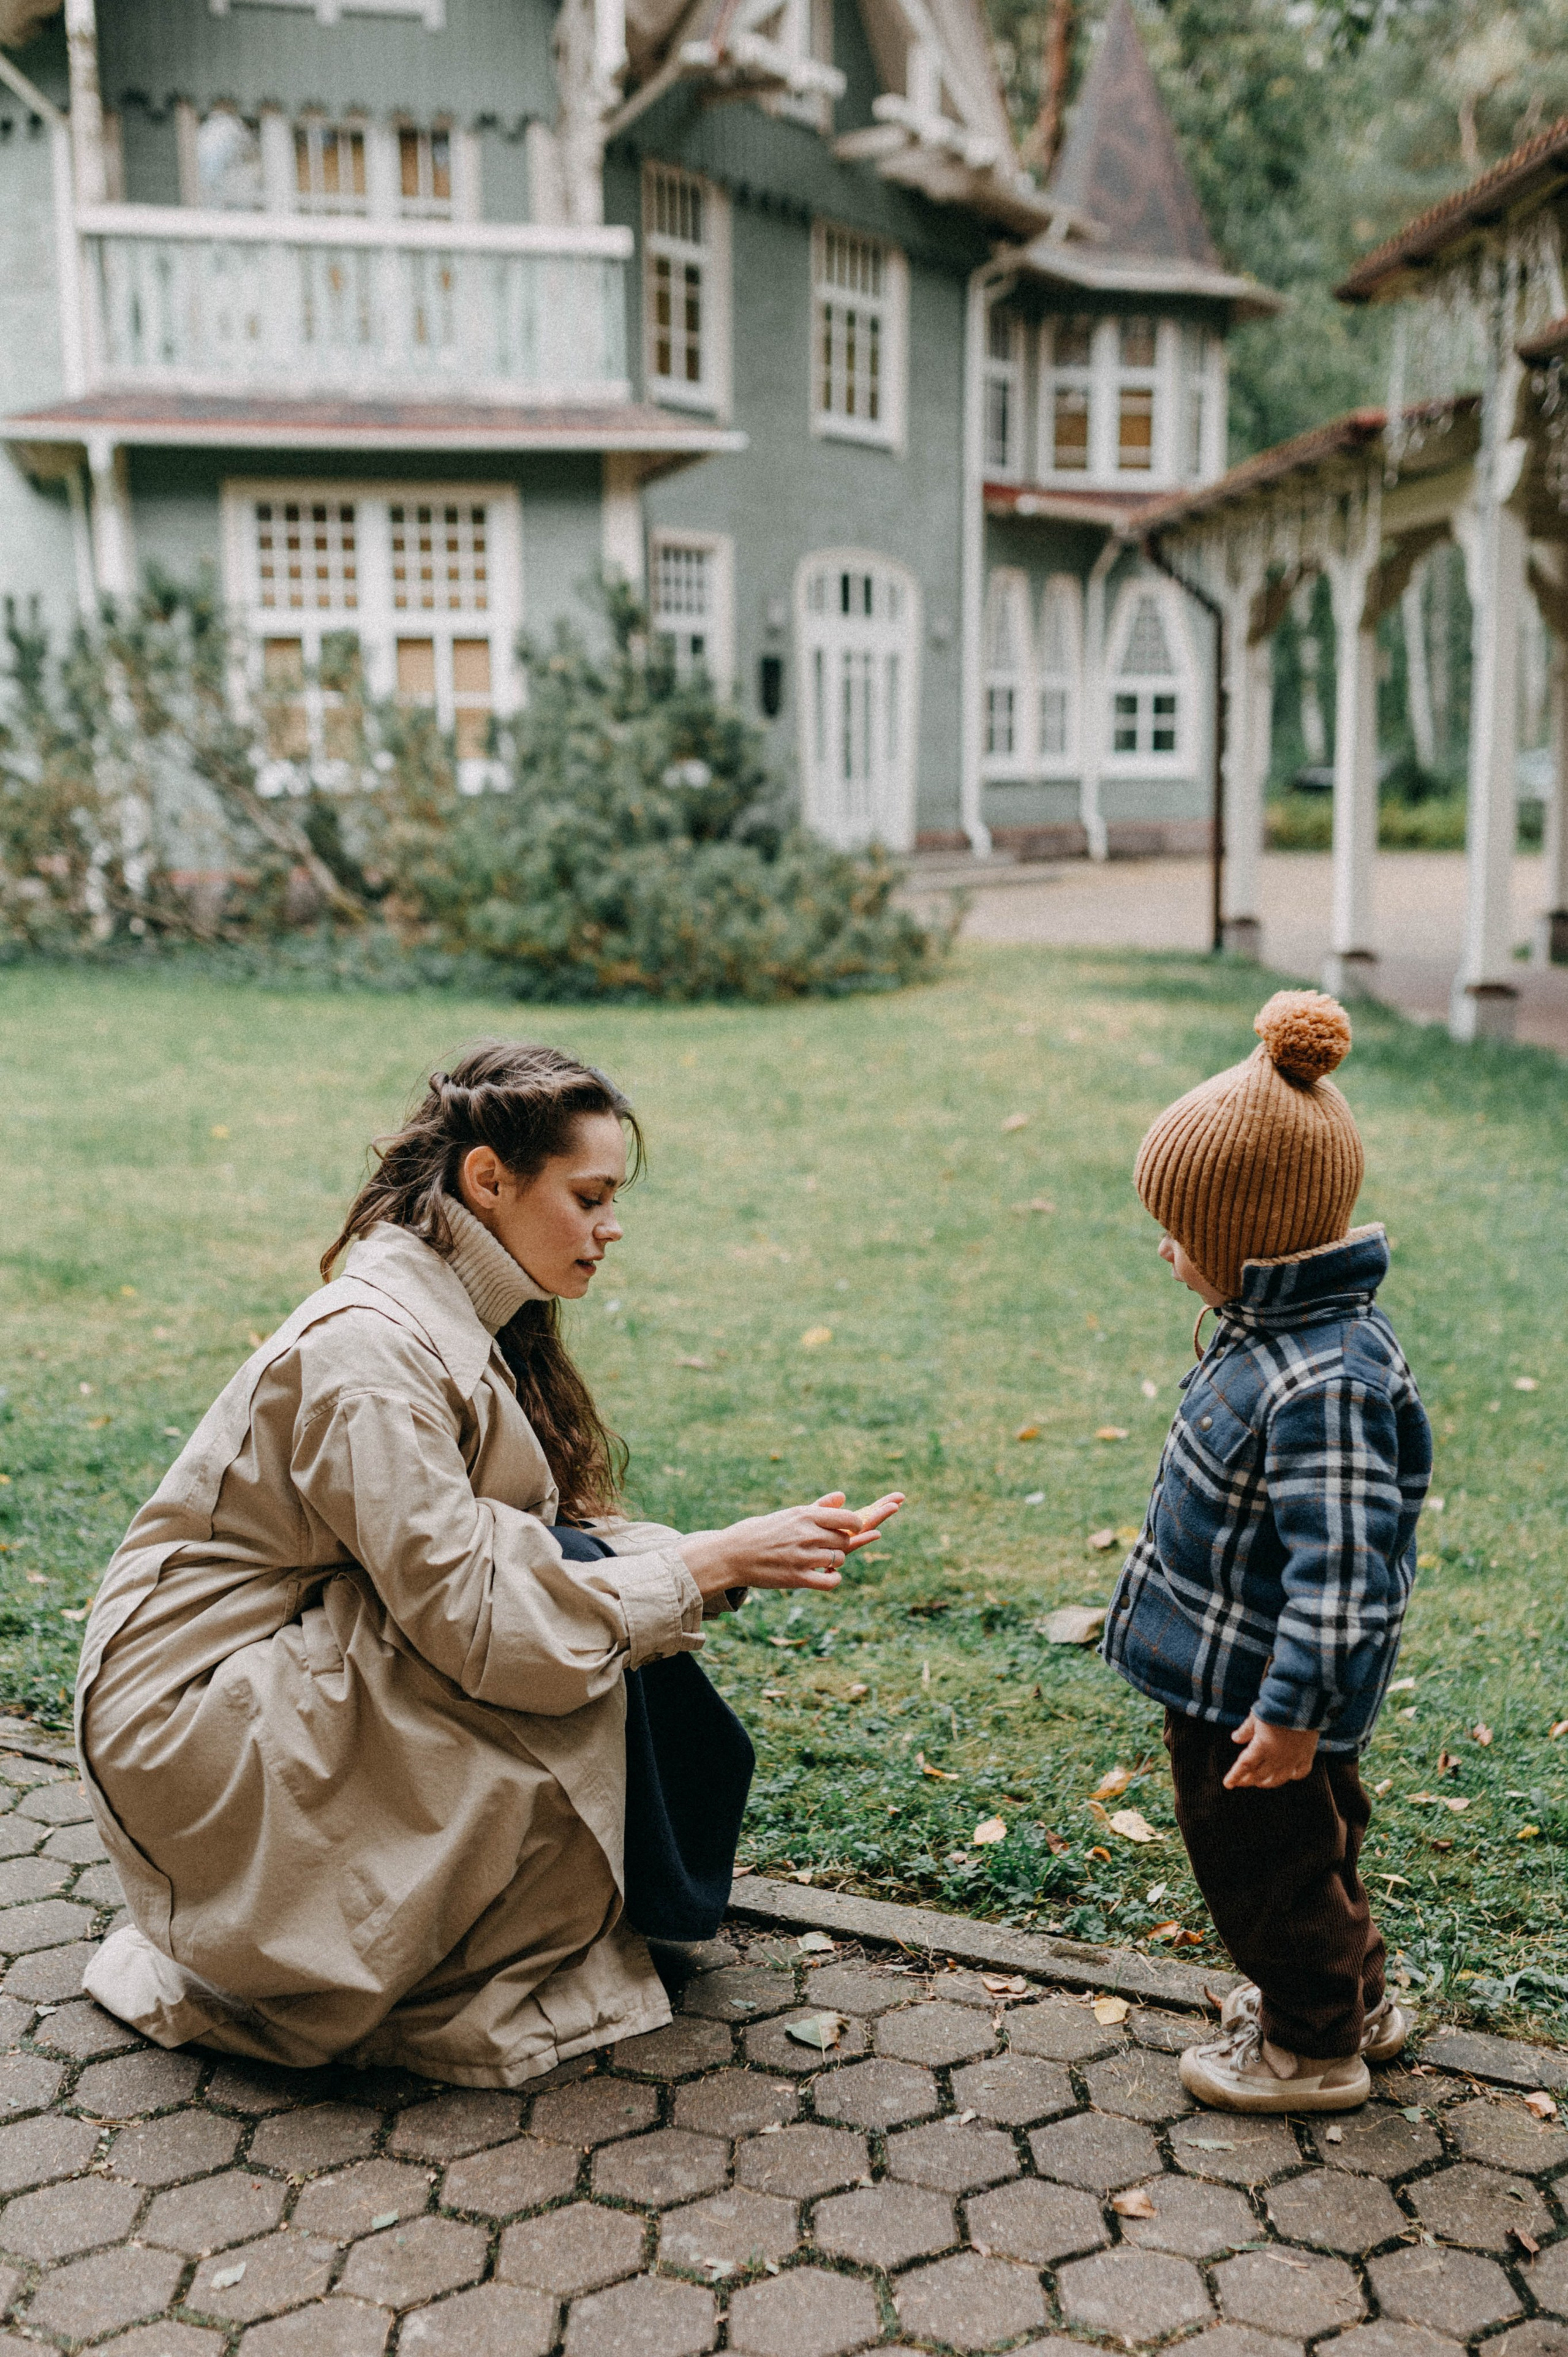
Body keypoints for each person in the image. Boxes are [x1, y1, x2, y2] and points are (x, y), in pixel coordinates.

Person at [77, 1041, 900, 2087]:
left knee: (569, 1600)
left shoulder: (461, 1305)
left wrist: (724, 1559)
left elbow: (514, 1554)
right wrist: (700, 1564)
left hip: (273, 1656)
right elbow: (474, 1621)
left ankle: (549, 1905)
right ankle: (391, 1943)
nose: (612, 1226)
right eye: (590, 1195)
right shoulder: (372, 1355)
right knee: (547, 1646)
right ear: (487, 1181)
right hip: (189, 1724)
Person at [1100, 990, 1431, 2114]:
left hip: (1253, 1697)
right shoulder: (1287, 1332)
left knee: (1267, 1867)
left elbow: (1341, 1576)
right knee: (1315, 1842)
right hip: (1250, 1680)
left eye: (1185, 1237)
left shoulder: (1321, 1379)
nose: (1167, 1251)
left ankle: (1311, 2046)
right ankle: (1352, 2000)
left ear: (1247, 1252)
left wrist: (1291, 1714)